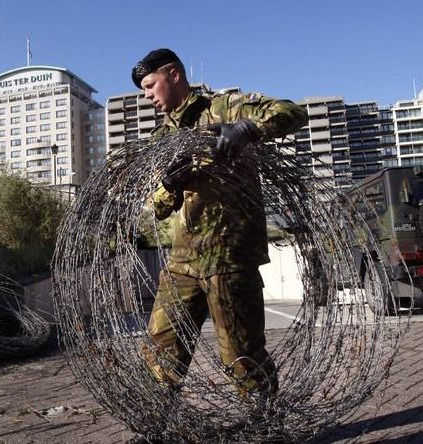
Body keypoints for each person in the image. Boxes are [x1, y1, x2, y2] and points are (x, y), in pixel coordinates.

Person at [131, 48, 308, 401]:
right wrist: (169, 186)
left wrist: (248, 128)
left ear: (174, 75)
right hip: (183, 261)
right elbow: (156, 206)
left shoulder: (225, 107)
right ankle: (158, 427)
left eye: (151, 85)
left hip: (229, 257)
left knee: (242, 358)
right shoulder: (161, 139)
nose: (147, 96)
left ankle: (263, 426)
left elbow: (292, 112)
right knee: (160, 352)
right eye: (144, 90)